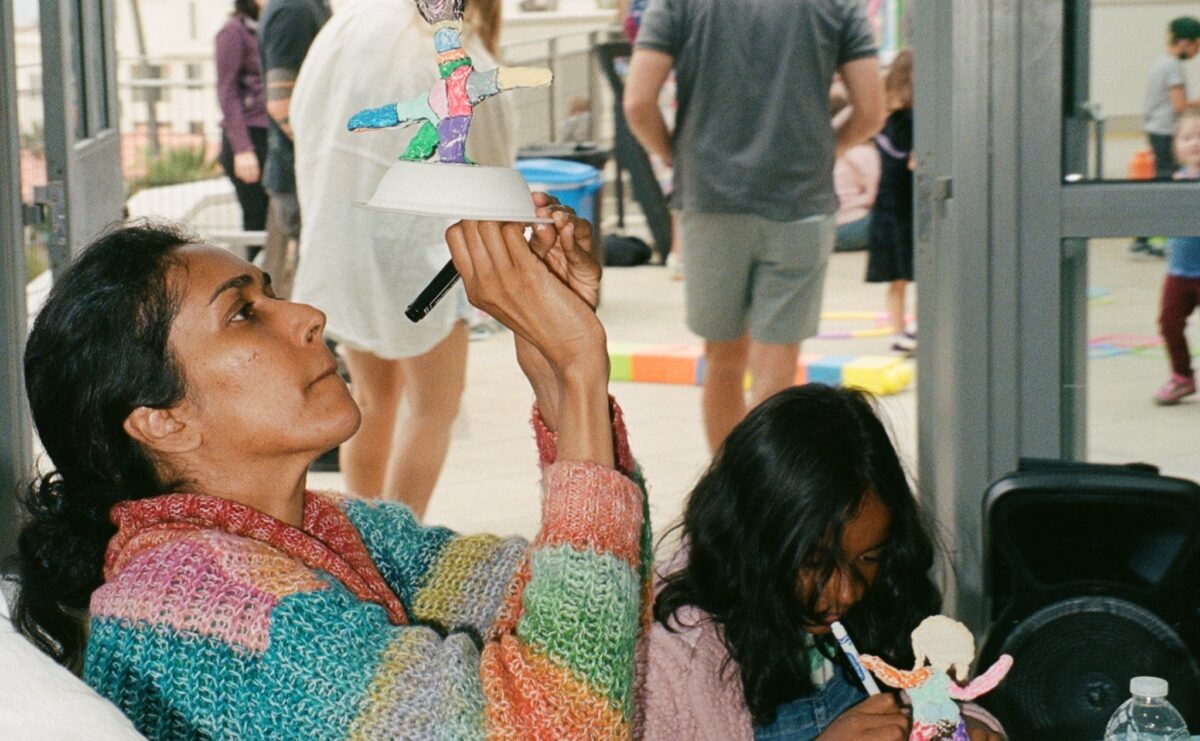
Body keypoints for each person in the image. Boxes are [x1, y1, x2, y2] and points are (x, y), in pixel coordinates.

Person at [11, 207, 652, 739]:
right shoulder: (189, 605)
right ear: (162, 421)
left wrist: (558, 376)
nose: (306, 315)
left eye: (270, 293)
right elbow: (566, 723)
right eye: (243, 313)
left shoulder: (338, 531)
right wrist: (577, 365)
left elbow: (610, 603)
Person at [641, 384, 1006, 740]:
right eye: (816, 562)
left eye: (869, 557)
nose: (846, 592)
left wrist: (961, 726)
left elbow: (934, 700)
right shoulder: (676, 656)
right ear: (757, 540)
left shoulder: (881, 600)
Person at [624, 0, 886, 453]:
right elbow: (871, 111)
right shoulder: (839, 6)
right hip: (799, 203)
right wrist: (827, 151)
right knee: (777, 372)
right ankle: (768, 503)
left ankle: (730, 496)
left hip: (711, 201)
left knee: (722, 359)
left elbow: (638, 103)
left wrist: (674, 155)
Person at [289, 0, 514, 519]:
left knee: (372, 400)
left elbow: (303, 121)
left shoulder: (346, 26)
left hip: (343, 236)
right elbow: (495, 166)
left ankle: (363, 541)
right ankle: (397, 547)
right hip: (420, 255)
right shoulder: (456, 49)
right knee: (433, 408)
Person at [258, 0, 330, 296]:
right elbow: (280, 104)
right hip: (298, 171)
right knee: (311, 279)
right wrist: (324, 155)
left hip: (299, 168)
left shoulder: (306, 6)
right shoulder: (293, 10)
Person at [1130, 16, 1200, 257]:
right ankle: (1146, 239)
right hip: (1165, 132)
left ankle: (1149, 237)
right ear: (1184, 42)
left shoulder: (1161, 61)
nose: (1196, 52)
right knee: (1166, 186)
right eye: (1196, 46)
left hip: (1156, 129)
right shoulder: (1172, 66)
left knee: (1162, 182)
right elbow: (1179, 106)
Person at [865, 50, 916, 355]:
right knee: (911, 270)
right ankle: (906, 332)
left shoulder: (888, 121)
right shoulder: (909, 121)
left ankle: (899, 332)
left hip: (890, 203)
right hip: (904, 204)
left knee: (899, 276)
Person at [1154, 106, 1200, 405]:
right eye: (1188, 138)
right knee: (1169, 323)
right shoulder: (1175, 181)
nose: (1195, 143)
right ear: (1177, 147)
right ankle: (1182, 376)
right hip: (1179, 272)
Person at [215, 0, 269, 249]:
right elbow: (227, 91)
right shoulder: (233, 32)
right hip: (249, 138)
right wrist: (242, 149)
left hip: (271, 135)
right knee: (256, 222)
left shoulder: (270, 25)